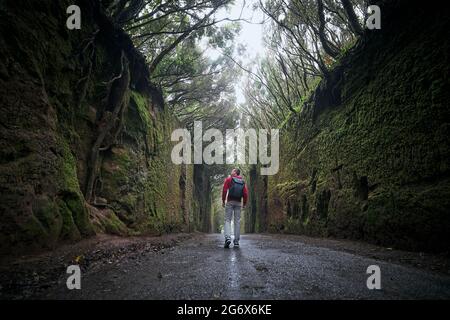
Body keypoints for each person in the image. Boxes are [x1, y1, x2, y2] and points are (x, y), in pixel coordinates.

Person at [222, 168, 248, 248]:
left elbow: (224, 190)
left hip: (230, 202)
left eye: (232, 170)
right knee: (237, 221)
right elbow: (245, 193)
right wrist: (244, 203)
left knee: (227, 220)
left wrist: (223, 200)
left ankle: (228, 238)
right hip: (238, 203)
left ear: (235, 173)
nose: (231, 171)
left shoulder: (229, 179)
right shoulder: (243, 182)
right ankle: (236, 241)